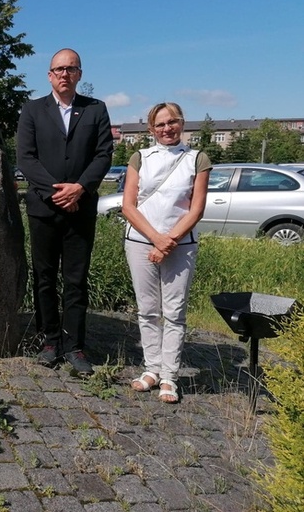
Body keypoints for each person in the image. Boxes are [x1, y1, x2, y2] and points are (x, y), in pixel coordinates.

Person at [17, 48, 113, 377]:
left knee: (76, 280)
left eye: (70, 69)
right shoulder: (32, 110)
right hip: (44, 208)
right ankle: (49, 340)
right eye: (58, 69)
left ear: (79, 75)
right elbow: (26, 159)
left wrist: (80, 188)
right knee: (44, 278)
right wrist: (59, 191)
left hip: (80, 209)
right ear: (48, 75)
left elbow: (103, 156)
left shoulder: (95, 110)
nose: (64, 74)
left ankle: (74, 346)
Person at [122, 102, 210, 403]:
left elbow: (196, 208)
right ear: (150, 129)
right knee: (147, 309)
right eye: (160, 124)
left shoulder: (197, 158)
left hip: (180, 245)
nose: (166, 129)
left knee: (174, 312)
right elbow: (128, 205)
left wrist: (168, 240)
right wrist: (155, 239)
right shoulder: (140, 157)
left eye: (172, 122)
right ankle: (151, 368)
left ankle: (170, 375)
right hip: (140, 241)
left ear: (182, 123)